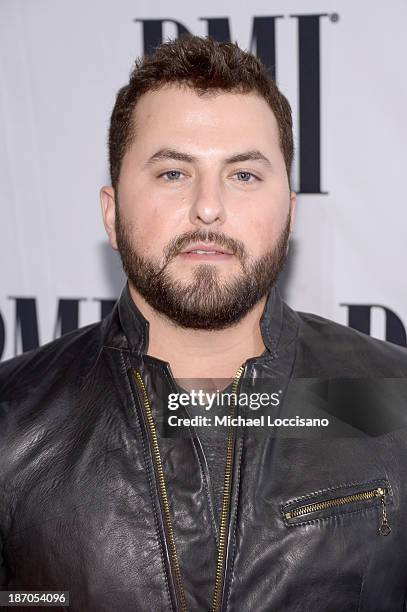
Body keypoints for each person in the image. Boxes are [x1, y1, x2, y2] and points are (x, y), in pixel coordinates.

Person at [1, 34, 407, 612]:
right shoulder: (12, 422)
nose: (209, 207)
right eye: (173, 173)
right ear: (112, 214)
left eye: (243, 175)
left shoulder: (394, 401)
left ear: (290, 213)